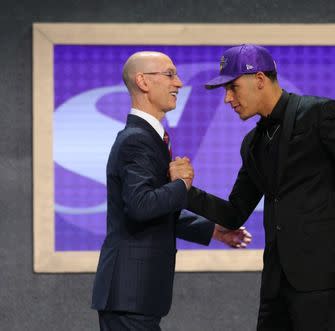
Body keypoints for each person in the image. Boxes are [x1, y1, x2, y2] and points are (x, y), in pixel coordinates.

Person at [187, 44, 335, 330]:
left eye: (232, 88)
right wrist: (183, 191)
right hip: (274, 281)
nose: (227, 99)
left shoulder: (320, 113)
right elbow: (234, 214)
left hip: (319, 275)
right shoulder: (251, 143)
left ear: (259, 79)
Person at [91, 51, 251, 331]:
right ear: (142, 81)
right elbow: (140, 206)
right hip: (130, 295)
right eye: (169, 74)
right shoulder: (137, 140)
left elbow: (154, 212)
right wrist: (181, 184)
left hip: (136, 297)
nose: (178, 83)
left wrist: (213, 230)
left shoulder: (148, 137)